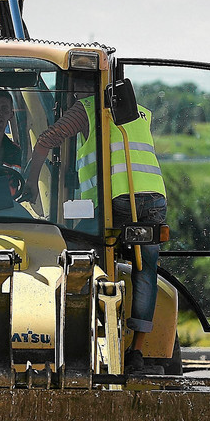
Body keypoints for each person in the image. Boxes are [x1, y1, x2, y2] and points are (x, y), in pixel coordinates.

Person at [20, 79, 166, 373]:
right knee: (145, 269)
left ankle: (78, 333)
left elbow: (46, 139)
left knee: (77, 258)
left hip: (114, 202)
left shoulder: (85, 109)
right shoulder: (141, 112)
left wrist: (30, 181)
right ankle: (135, 351)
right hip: (154, 199)